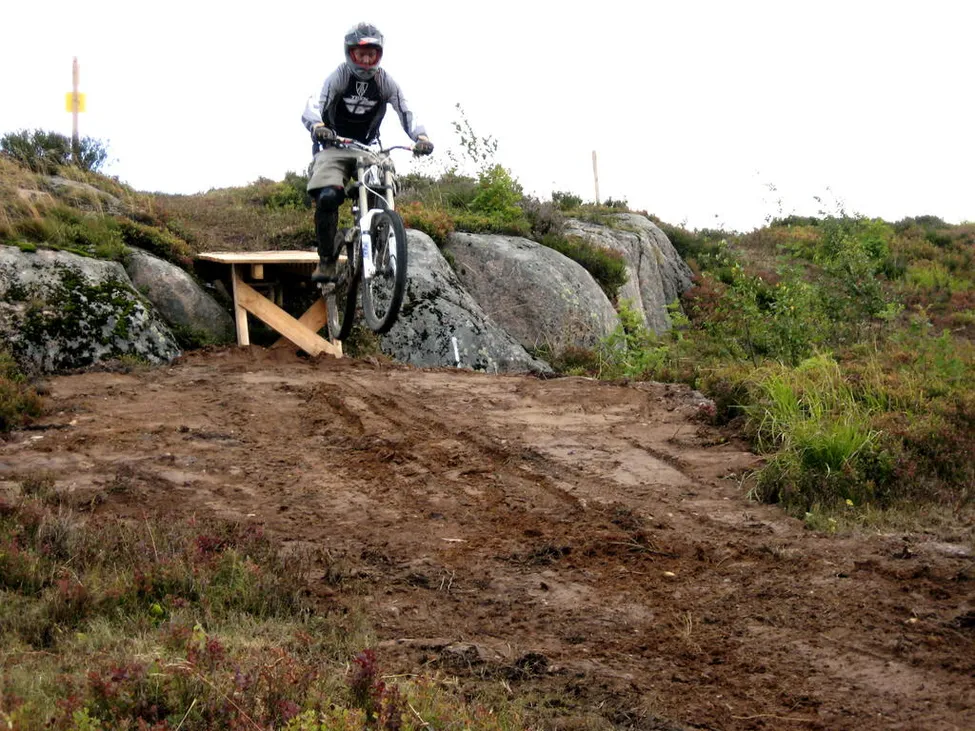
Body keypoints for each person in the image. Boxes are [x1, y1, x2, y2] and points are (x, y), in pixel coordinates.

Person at [301, 22, 433, 282]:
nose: (365, 60)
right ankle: (327, 261)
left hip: (368, 147)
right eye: (360, 54)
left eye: (371, 54)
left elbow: (406, 110)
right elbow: (314, 104)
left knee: (384, 182)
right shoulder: (340, 76)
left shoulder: (384, 81)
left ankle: (380, 245)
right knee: (327, 196)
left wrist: (421, 137)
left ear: (379, 55)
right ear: (350, 53)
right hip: (335, 146)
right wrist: (318, 126)